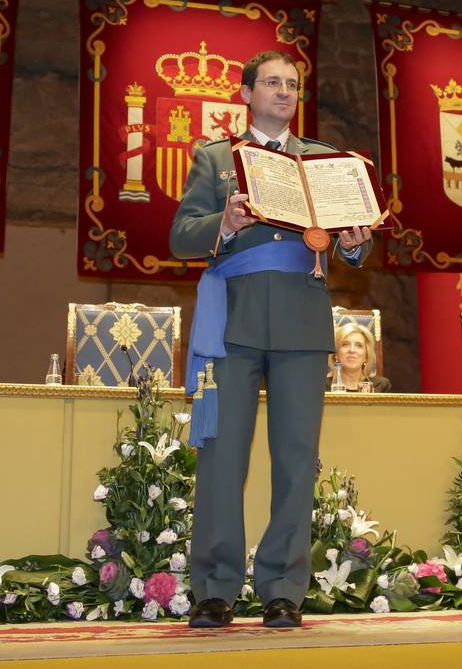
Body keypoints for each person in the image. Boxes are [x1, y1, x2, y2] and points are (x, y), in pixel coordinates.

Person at [170, 50, 372, 630]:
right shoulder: (215, 160)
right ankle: (215, 588)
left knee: (293, 462)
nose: (284, 92)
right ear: (247, 93)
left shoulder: (323, 163)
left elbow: (353, 247)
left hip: (302, 324)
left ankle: (283, 587)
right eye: (273, 83)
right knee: (221, 459)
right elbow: (182, 235)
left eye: (292, 84)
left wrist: (354, 242)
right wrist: (225, 225)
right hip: (231, 322)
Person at [326, 323, 391, 392]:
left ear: (366, 355)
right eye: (345, 344)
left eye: (359, 345)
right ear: (336, 354)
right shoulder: (322, 386)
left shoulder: (381, 386)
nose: (352, 350)